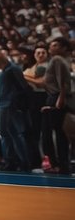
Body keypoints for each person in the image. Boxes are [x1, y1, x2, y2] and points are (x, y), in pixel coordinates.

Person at [39, 37, 71, 175]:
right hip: (53, 97)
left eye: (56, 45)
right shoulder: (59, 60)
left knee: (53, 133)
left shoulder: (57, 60)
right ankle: (60, 164)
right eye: (51, 45)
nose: (51, 47)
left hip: (56, 97)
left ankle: (59, 164)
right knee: (56, 133)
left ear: (63, 48)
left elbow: (62, 82)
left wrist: (59, 99)